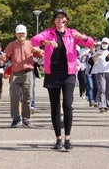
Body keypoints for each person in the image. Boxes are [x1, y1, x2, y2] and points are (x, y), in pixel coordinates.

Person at [31, 9, 94, 150]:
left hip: (68, 72)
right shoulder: (48, 32)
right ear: (54, 20)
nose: (60, 20)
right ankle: (58, 139)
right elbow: (33, 41)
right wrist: (45, 42)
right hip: (52, 72)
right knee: (55, 106)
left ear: (66, 20)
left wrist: (83, 37)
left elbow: (90, 43)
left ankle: (68, 138)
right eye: (57, 18)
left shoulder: (72, 33)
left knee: (67, 105)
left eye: (63, 18)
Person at [0, 24, 43, 127]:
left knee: (28, 97)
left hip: (28, 72)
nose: (21, 35)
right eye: (19, 33)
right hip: (15, 73)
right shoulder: (12, 44)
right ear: (15, 34)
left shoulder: (31, 44)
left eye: (22, 33)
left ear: (26, 34)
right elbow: (6, 57)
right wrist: (3, 58)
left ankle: (26, 118)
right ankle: (15, 118)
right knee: (14, 96)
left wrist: (40, 52)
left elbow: (40, 55)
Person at [91, 37, 109, 113]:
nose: (104, 44)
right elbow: (93, 60)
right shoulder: (98, 51)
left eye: (106, 43)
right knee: (102, 89)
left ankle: (107, 106)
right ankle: (101, 105)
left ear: (108, 44)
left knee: (108, 90)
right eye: (103, 43)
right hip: (100, 72)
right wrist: (97, 55)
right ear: (101, 43)